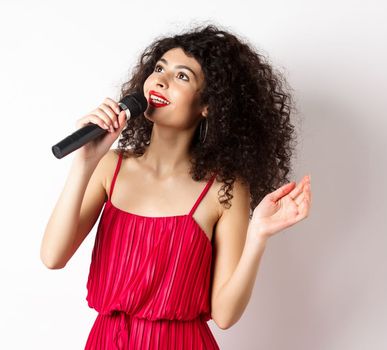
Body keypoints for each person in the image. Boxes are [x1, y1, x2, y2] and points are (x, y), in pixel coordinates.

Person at [40, 24, 312, 349]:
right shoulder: (109, 168)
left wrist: (258, 236)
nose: (161, 80)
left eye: (182, 76)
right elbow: (52, 257)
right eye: (159, 69)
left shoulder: (224, 189)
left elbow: (224, 316)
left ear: (208, 104)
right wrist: (84, 164)